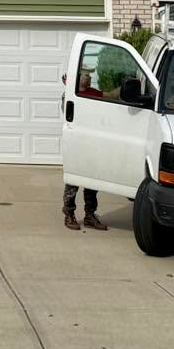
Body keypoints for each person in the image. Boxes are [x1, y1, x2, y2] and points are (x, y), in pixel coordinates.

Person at [62, 71, 108, 232]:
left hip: (93, 144)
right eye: (85, 75)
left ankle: (90, 215)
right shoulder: (70, 95)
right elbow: (69, 113)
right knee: (73, 182)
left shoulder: (93, 93)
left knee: (92, 182)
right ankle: (69, 214)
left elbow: (110, 96)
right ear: (76, 78)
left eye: (90, 75)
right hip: (77, 143)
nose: (89, 77)